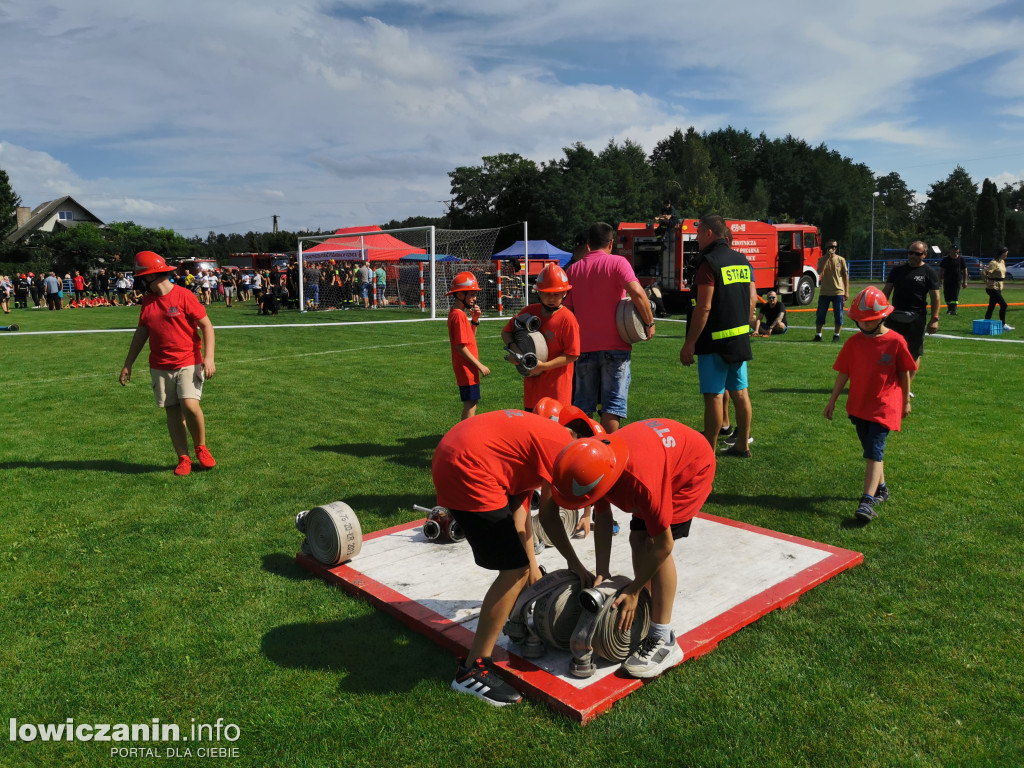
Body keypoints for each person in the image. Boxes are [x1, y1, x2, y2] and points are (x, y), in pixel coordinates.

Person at [433, 408, 596, 706]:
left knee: (520, 567)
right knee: (513, 570)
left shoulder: (533, 448)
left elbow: (522, 520)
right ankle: (472, 670)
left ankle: (513, 614)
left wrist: (534, 575)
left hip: (456, 456)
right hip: (468, 468)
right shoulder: (558, 449)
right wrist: (573, 562)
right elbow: (548, 516)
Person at [551, 417, 715, 678]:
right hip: (658, 457)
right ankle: (646, 609)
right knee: (636, 539)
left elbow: (664, 545)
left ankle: (664, 639)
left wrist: (635, 587)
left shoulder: (642, 483)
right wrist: (602, 572)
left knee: (651, 541)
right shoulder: (596, 459)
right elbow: (603, 519)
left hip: (690, 469)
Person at [119, 251, 217, 477]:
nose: (140, 282)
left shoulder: (184, 296)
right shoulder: (148, 301)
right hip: (160, 365)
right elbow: (141, 332)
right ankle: (183, 458)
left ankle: (201, 448)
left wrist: (209, 358)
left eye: (141, 277)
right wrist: (128, 363)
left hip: (188, 361)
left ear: (152, 276)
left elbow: (207, 326)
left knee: (190, 406)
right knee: (172, 412)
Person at [824, 287, 916, 522]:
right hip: (858, 406)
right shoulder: (853, 343)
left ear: (882, 316)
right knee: (870, 451)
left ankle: (866, 502)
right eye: (860, 321)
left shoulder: (895, 341)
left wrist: (906, 400)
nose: (864, 325)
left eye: (869, 321)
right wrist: (832, 400)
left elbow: (905, 372)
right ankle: (882, 489)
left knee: (874, 453)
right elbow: (843, 373)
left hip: (884, 407)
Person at [564, 222, 655, 433]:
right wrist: (649, 323)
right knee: (612, 408)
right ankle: (611, 456)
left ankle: (582, 455)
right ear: (611, 243)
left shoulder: (573, 270)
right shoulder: (618, 263)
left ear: (587, 245)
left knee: (583, 409)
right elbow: (639, 293)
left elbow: (567, 309)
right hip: (616, 347)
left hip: (584, 348)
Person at [679, 214, 757, 457]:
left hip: (714, 341)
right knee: (740, 392)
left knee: (713, 394)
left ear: (710, 233)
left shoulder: (709, 263)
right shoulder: (742, 260)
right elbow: (752, 299)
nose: (697, 237)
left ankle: (708, 451)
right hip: (739, 339)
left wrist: (689, 343)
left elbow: (704, 307)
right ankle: (743, 444)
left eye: (699, 232)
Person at [501, 264, 580, 411]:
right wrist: (517, 353)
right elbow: (506, 332)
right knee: (532, 428)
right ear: (539, 293)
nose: (551, 298)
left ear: (564, 293)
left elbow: (572, 355)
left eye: (556, 294)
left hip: (557, 391)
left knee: (556, 430)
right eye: (546, 293)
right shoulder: (529, 311)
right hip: (533, 391)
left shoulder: (567, 319)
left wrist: (543, 366)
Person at [882, 241, 941, 395]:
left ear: (924, 255)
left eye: (917, 253)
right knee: (888, 353)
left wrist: (935, 319)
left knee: (913, 353)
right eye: (910, 253)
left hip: (916, 318)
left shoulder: (929, 272)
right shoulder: (897, 270)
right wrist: (881, 312)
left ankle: (905, 389)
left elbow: (935, 298)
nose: (913, 256)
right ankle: (888, 384)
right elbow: (886, 292)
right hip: (894, 317)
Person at [446, 271, 489, 420]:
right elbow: (460, 346)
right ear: (460, 295)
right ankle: (464, 436)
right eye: (471, 294)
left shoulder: (461, 314)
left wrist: (475, 320)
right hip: (466, 369)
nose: (474, 298)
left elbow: (469, 339)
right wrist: (479, 365)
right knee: (470, 404)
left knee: (472, 402)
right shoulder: (458, 315)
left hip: (468, 368)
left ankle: (465, 434)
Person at [815, 240, 849, 342]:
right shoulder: (821, 259)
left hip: (838, 292)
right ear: (826, 248)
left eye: (834, 247)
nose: (833, 248)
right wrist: (827, 257)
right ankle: (818, 335)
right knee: (820, 314)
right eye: (830, 246)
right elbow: (819, 271)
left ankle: (836, 335)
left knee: (839, 314)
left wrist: (846, 291)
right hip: (824, 292)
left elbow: (845, 276)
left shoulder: (841, 260)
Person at [982, 247, 1013, 331]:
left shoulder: (1002, 262)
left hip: (999, 286)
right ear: (1002, 253)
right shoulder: (993, 263)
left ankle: (986, 322)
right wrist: (986, 281)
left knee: (991, 306)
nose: (1007, 254)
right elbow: (984, 272)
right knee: (1004, 305)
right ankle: (1003, 325)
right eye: (1006, 253)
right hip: (992, 287)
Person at [938, 247, 968, 316]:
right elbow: (940, 270)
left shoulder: (961, 259)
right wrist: (939, 280)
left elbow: (965, 270)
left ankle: (953, 310)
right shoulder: (946, 259)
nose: (955, 251)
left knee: (955, 295)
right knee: (947, 296)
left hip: (957, 281)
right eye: (954, 250)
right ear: (950, 250)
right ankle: (949, 309)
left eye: (957, 250)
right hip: (947, 281)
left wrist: (965, 281)